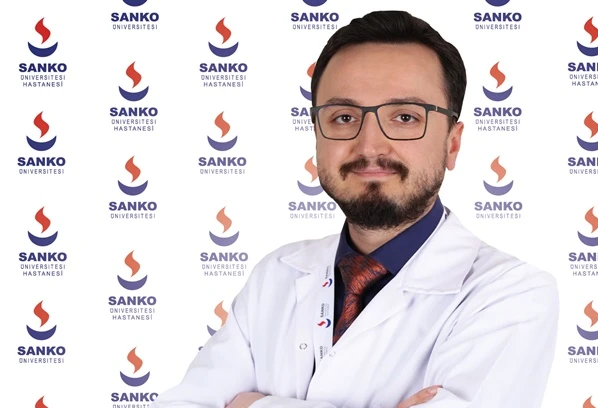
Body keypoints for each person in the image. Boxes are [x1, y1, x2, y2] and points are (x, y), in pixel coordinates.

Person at [152, 10, 559, 408]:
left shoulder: (512, 295)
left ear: (452, 143)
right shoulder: (276, 275)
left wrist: (252, 404)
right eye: (344, 117)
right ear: (317, 134)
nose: (369, 146)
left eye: (404, 117)